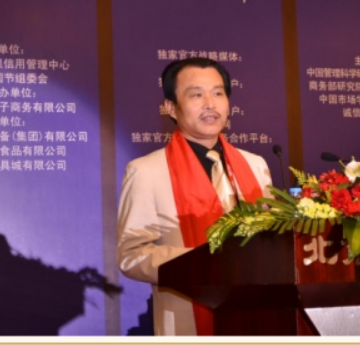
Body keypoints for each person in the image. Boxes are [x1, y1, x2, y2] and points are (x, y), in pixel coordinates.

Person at [117, 58, 272, 336]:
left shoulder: (256, 165)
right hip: (188, 320)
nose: (210, 104)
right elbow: (131, 255)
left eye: (218, 93)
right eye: (197, 95)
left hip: (258, 316)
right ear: (170, 107)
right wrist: (202, 263)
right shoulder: (146, 171)